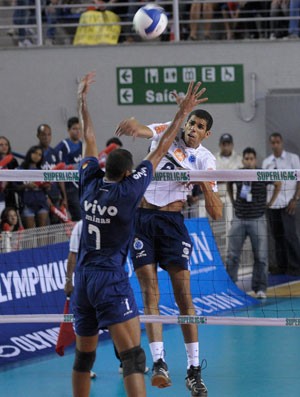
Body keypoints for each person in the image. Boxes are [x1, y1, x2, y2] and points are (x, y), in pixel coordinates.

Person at [72, 71, 208, 397]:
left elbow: (88, 138)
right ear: (130, 173)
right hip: (109, 280)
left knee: (84, 358)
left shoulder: (88, 183)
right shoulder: (130, 193)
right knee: (133, 357)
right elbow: (161, 148)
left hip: (83, 279)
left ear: (102, 166)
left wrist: (82, 101)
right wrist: (182, 112)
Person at [115, 108, 223, 396]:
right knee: (150, 294)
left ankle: (193, 370)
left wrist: (201, 180)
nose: (193, 129)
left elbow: (216, 212)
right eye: (191, 123)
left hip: (173, 224)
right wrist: (131, 126)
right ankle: (159, 362)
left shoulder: (205, 159)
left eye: (199, 127)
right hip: (143, 220)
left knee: (184, 298)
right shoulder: (168, 131)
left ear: (206, 133)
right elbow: (141, 130)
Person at [64, 220, 149, 376]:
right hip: (101, 282)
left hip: (95, 281)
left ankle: (118, 364)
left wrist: (69, 281)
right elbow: (73, 255)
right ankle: (93, 367)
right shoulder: (84, 225)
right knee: (108, 323)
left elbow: (72, 256)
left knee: (110, 325)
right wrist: (69, 281)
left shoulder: (100, 222)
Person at [226, 147, 281, 299]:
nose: (249, 161)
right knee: (232, 255)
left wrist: (270, 203)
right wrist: (232, 201)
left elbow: (278, 183)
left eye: (252, 159)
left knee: (261, 256)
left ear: (255, 160)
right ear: (243, 160)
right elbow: (229, 184)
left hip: (257, 219)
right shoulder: (237, 173)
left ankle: (260, 288)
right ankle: (231, 287)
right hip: (239, 218)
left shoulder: (262, 173)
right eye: (247, 159)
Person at [262, 132, 300, 276]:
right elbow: (264, 183)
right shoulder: (267, 162)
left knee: (290, 236)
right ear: (270, 144)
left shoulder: (293, 159)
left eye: (278, 142)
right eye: (273, 142)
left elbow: (299, 180)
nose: (275, 145)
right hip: (272, 206)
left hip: (287, 203)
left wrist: (295, 199)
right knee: (277, 237)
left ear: (281, 142)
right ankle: (282, 266)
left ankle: (296, 266)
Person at [37, 123, 68, 224]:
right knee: (45, 226)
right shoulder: (34, 153)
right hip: (42, 197)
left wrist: (64, 197)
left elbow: (60, 176)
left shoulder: (55, 152)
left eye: (49, 134)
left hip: (55, 195)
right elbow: (33, 179)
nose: (46, 137)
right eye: (43, 134)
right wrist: (44, 196)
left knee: (56, 226)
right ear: (38, 136)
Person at [14, 145, 50, 229]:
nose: (37, 156)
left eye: (40, 154)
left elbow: (46, 189)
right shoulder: (20, 170)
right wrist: (26, 186)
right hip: (27, 205)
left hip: (42, 204)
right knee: (30, 235)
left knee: (42, 233)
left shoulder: (42, 171)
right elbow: (15, 187)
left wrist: (46, 187)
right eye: (35, 153)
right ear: (30, 153)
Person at [55, 116, 82, 221]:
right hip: (70, 187)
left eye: (79, 129)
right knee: (78, 216)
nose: (77, 131)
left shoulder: (83, 145)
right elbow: (60, 172)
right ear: (68, 130)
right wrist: (64, 196)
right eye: (74, 129)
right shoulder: (63, 147)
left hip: (81, 186)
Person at [214, 133, 243, 222]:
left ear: (232, 145)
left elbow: (241, 178)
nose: (226, 147)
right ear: (220, 145)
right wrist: (229, 178)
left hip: (235, 197)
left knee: (234, 222)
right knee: (219, 224)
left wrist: (222, 178)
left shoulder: (240, 159)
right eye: (224, 144)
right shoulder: (213, 158)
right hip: (218, 197)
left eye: (228, 144)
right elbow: (211, 178)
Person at [0, 136, 19, 214]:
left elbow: (18, 177)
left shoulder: (13, 160)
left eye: (6, 144)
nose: (4, 147)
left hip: (10, 194)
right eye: (1, 145)